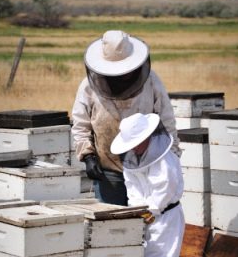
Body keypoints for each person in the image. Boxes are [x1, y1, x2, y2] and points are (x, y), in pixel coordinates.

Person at [71, 29, 180, 206]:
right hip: (109, 171)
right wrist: (88, 156)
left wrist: (173, 155)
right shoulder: (89, 86)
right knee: (114, 228)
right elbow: (80, 124)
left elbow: (167, 120)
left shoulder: (151, 81)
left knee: (148, 223)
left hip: (148, 168)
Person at [110, 112, 190, 257]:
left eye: (137, 143)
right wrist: (136, 212)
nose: (134, 147)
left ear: (147, 137)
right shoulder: (131, 159)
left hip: (166, 216)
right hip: (147, 216)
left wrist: (148, 212)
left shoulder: (166, 160)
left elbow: (164, 192)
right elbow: (132, 189)